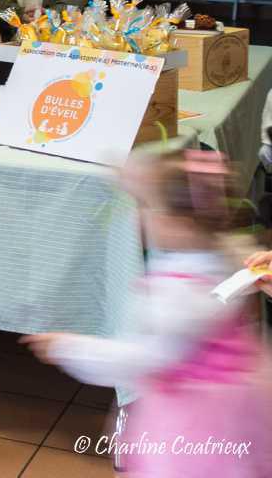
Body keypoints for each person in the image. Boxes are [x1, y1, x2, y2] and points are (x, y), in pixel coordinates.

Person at [24, 151, 271, 477]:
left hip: (194, 418)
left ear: (176, 224)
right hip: (240, 395)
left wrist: (68, 348)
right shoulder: (223, 254)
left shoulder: (179, 299)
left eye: (146, 208)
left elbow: (141, 357)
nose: (139, 217)